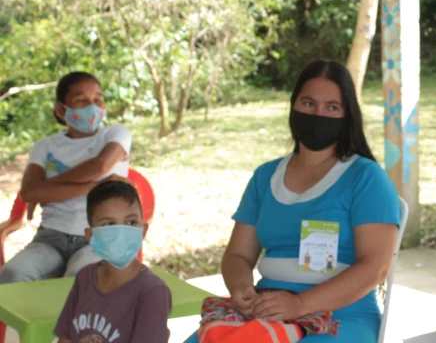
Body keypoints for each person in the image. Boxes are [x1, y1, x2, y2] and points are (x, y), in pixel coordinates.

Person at [183, 60, 400, 343]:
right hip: (265, 310)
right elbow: (238, 255)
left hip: (340, 316)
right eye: (308, 103)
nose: (318, 113)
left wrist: (299, 305)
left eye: (332, 107)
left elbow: (376, 267)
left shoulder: (366, 177)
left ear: (347, 116)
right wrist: (240, 289)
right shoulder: (265, 176)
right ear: (293, 106)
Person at [0, 71, 132, 283]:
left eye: (98, 99)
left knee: (80, 279)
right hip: (50, 238)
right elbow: (29, 192)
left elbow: (99, 165)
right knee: (11, 276)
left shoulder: (116, 134)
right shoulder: (45, 146)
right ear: (61, 110)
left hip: (99, 238)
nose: (93, 106)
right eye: (81, 100)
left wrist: (45, 188)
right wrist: (97, 187)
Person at [55, 180, 171, 343]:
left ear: (143, 230)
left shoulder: (152, 291)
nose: (120, 233)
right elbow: (65, 337)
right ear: (90, 235)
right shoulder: (85, 278)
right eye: (109, 224)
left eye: (131, 222)